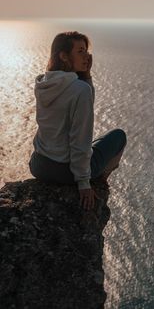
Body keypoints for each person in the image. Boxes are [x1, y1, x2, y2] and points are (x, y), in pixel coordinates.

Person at [29, 31, 127, 211]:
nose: (87, 56)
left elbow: (85, 104)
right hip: (65, 171)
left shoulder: (43, 83)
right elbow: (79, 140)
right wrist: (84, 183)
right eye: (80, 51)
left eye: (87, 50)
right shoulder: (80, 89)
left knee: (93, 143)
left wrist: (86, 75)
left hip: (38, 165)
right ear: (64, 56)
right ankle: (99, 179)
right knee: (118, 136)